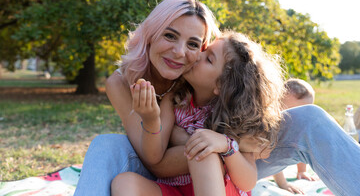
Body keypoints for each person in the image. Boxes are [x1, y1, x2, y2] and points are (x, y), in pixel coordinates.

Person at [74, 0, 360, 196]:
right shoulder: (128, 86)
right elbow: (155, 161)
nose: (180, 53)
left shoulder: (208, 77)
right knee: (105, 146)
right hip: (170, 168)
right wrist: (211, 141)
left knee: (309, 117)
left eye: (195, 45)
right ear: (150, 34)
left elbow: (238, 72)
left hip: (226, 167)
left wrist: (232, 143)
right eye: (169, 36)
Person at [110, 31, 284, 196]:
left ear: (222, 85)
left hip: (219, 189)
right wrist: (150, 119)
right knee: (124, 183)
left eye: (208, 59)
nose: (197, 55)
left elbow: (248, 182)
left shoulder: (235, 119)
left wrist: (227, 146)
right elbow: (154, 156)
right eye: (203, 50)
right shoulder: (175, 100)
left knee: (203, 152)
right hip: (177, 190)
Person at [272, 78, 318, 194]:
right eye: (294, 111)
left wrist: (301, 171)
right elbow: (270, 158)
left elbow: (301, 143)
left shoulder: (299, 122)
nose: (300, 116)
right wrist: (283, 183)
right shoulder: (272, 123)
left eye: (307, 110)